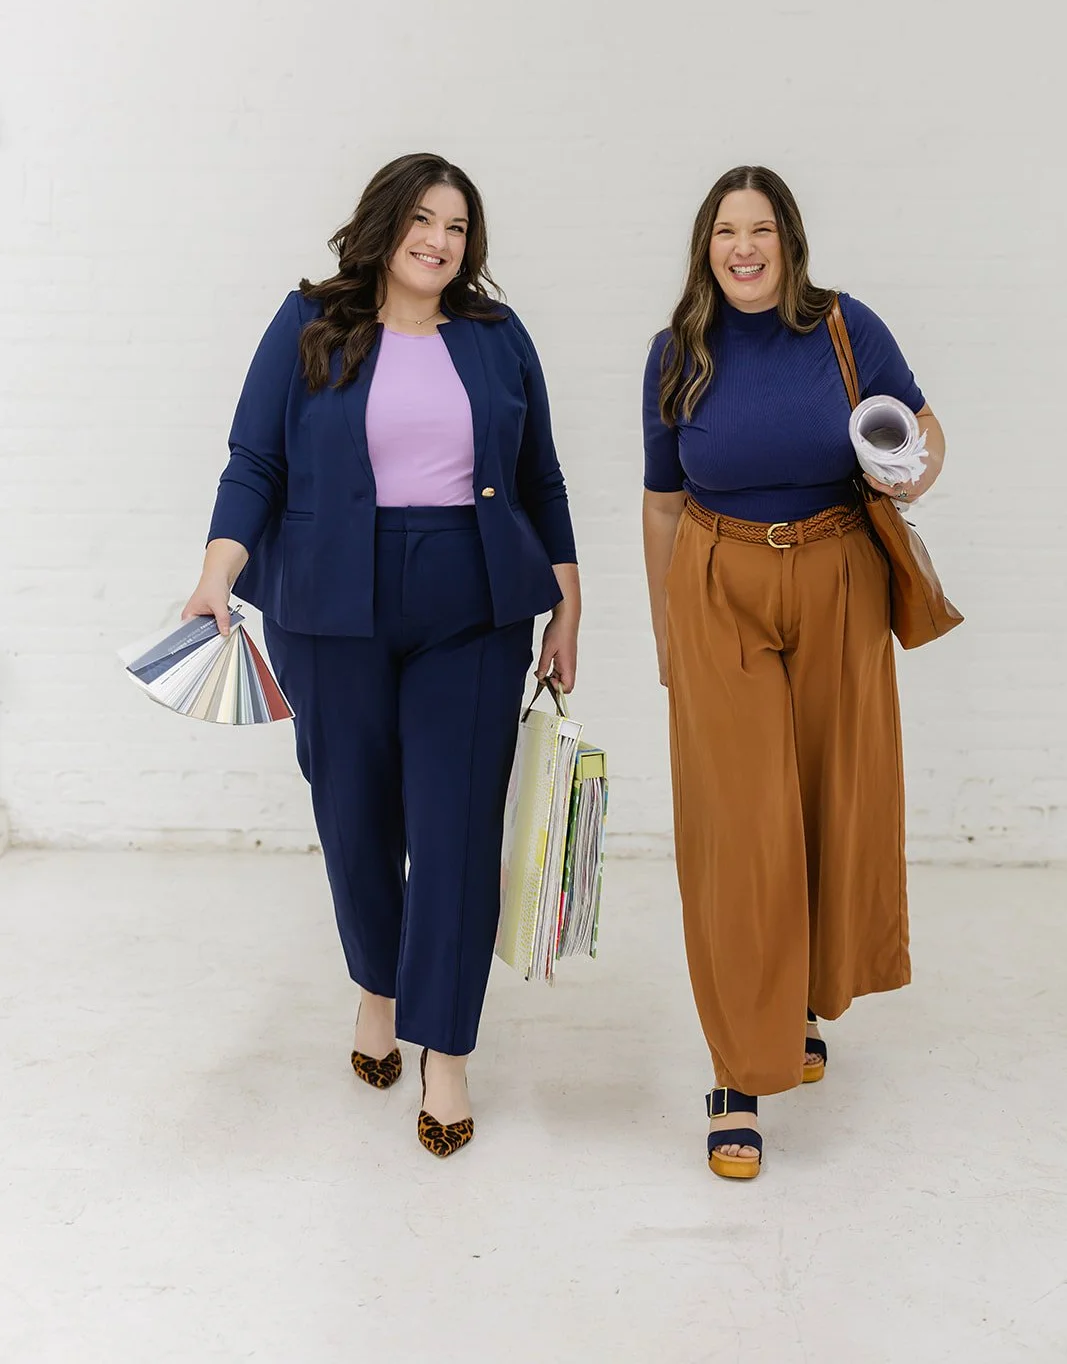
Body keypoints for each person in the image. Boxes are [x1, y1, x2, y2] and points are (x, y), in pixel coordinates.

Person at [183, 153, 580, 1158]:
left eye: (457, 226)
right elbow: (254, 461)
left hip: (473, 602)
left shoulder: (495, 337)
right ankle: (377, 984)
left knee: (452, 825)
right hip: (328, 603)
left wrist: (568, 608)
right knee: (353, 812)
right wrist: (216, 573)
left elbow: (541, 479)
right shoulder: (308, 320)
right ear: (384, 222)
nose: (440, 240)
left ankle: (444, 1052)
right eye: (424, 218)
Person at [641, 165, 945, 1180]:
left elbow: (921, 429)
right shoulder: (675, 351)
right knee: (741, 830)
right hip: (717, 581)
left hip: (835, 576)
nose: (742, 247)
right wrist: (666, 639)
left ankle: (797, 1007)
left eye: (759, 229)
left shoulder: (844, 327)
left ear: (788, 239)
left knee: (825, 804)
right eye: (725, 231)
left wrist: (910, 462)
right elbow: (660, 504)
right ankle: (737, 1067)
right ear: (704, 246)